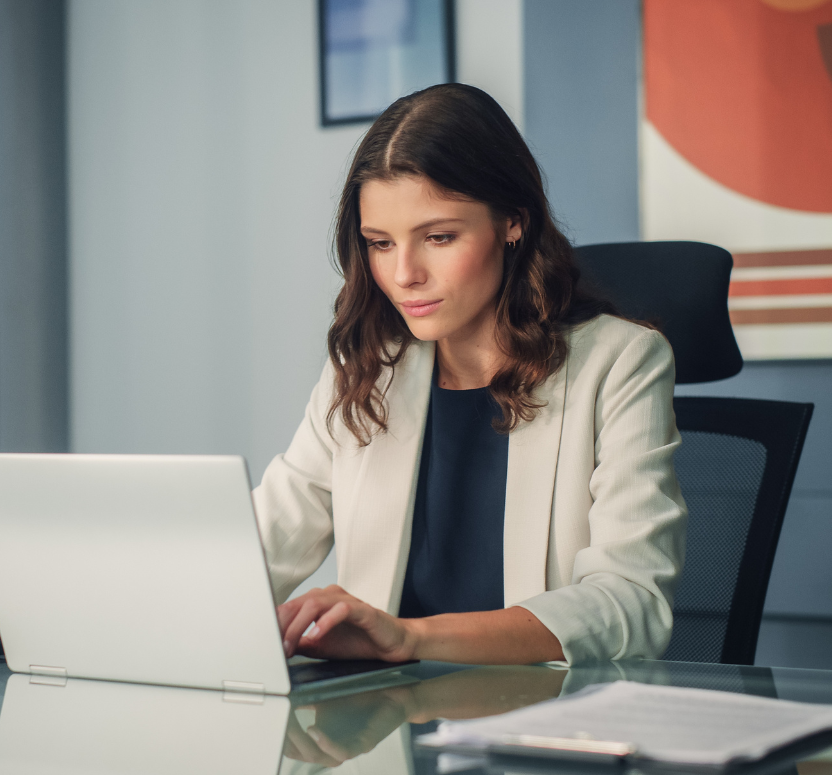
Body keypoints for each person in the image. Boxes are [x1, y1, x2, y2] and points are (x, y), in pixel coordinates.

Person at [255, 83, 686, 667]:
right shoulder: (365, 367)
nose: (404, 274)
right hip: (388, 734)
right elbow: (259, 546)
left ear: (512, 221)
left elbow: (632, 604)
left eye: (438, 237)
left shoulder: (621, 362)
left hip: (540, 727)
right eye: (380, 243)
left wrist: (410, 640)